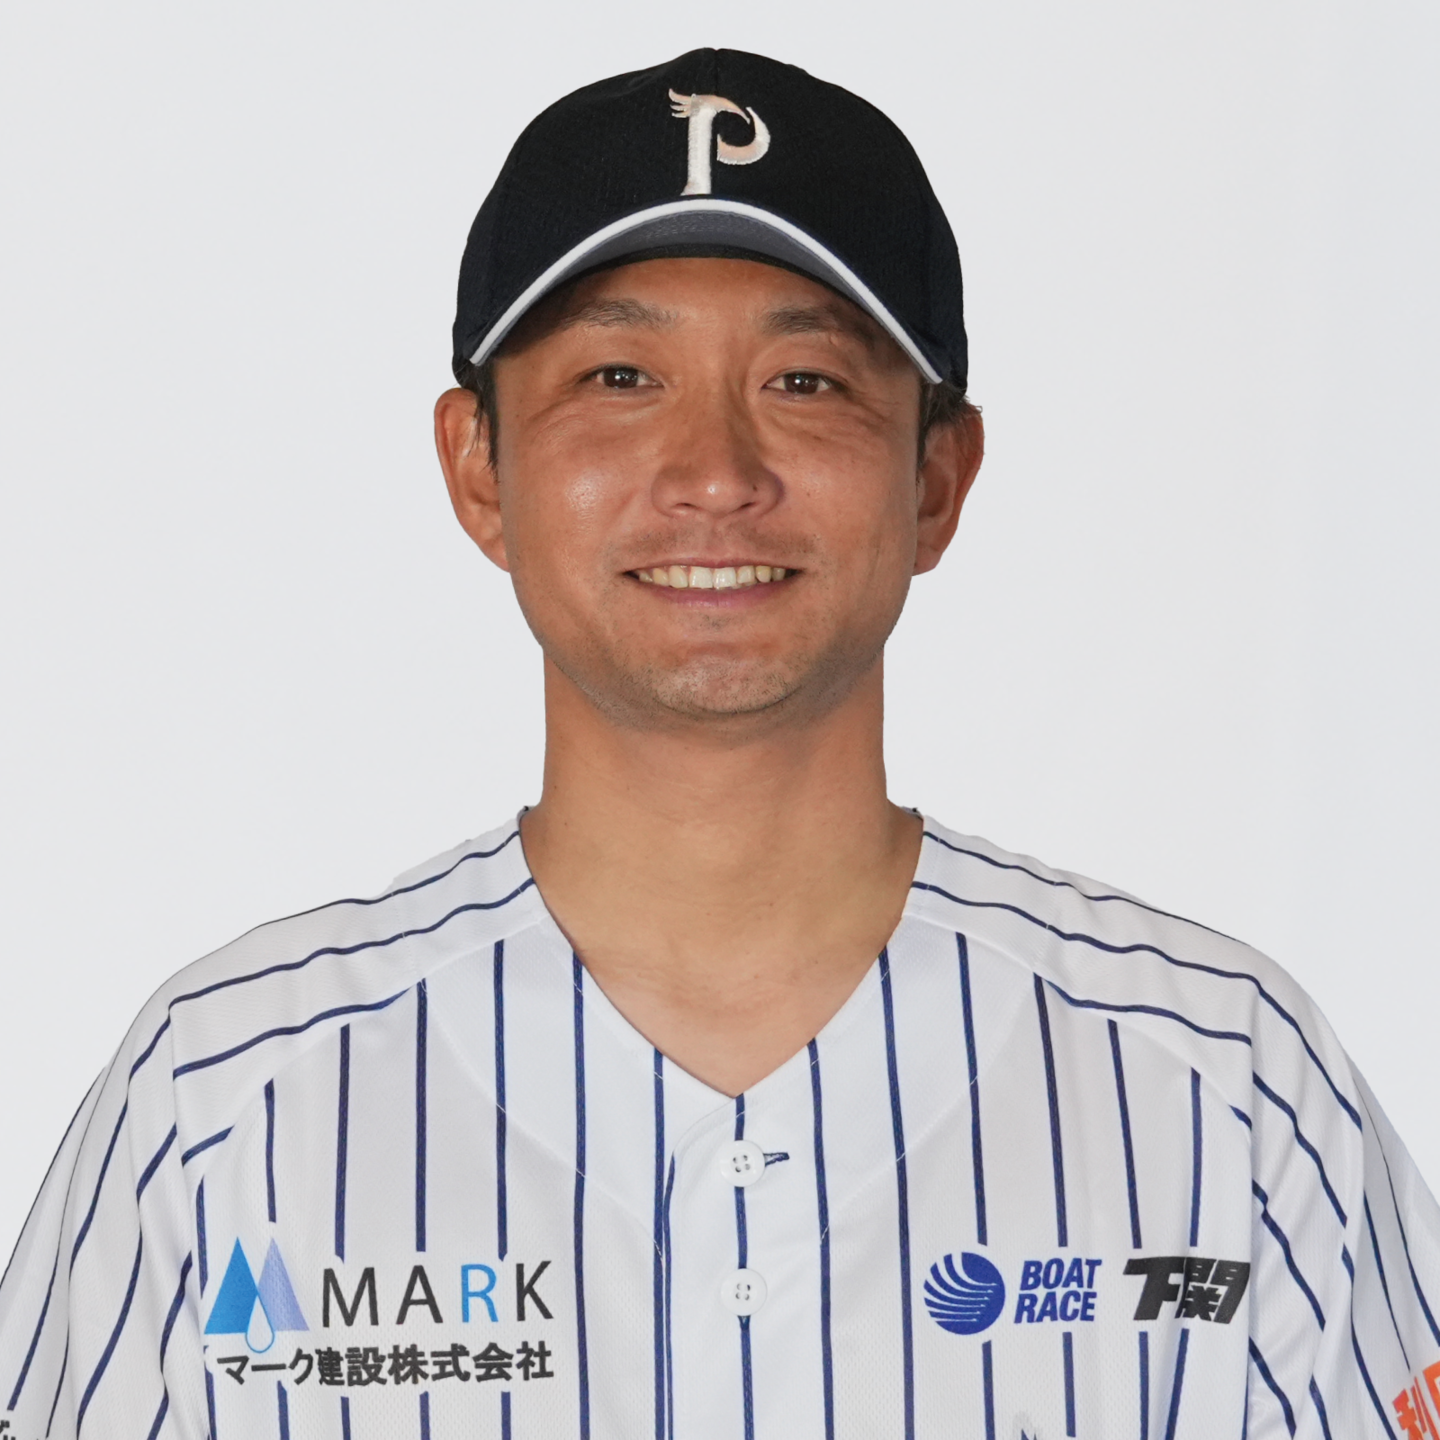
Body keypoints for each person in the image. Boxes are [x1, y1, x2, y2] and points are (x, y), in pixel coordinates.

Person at [1, 45, 1436, 1440]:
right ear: (478, 467)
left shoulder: (1228, 1094)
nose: (714, 476)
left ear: (937, 478)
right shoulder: (220, 1110)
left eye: (806, 383)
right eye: (619, 377)